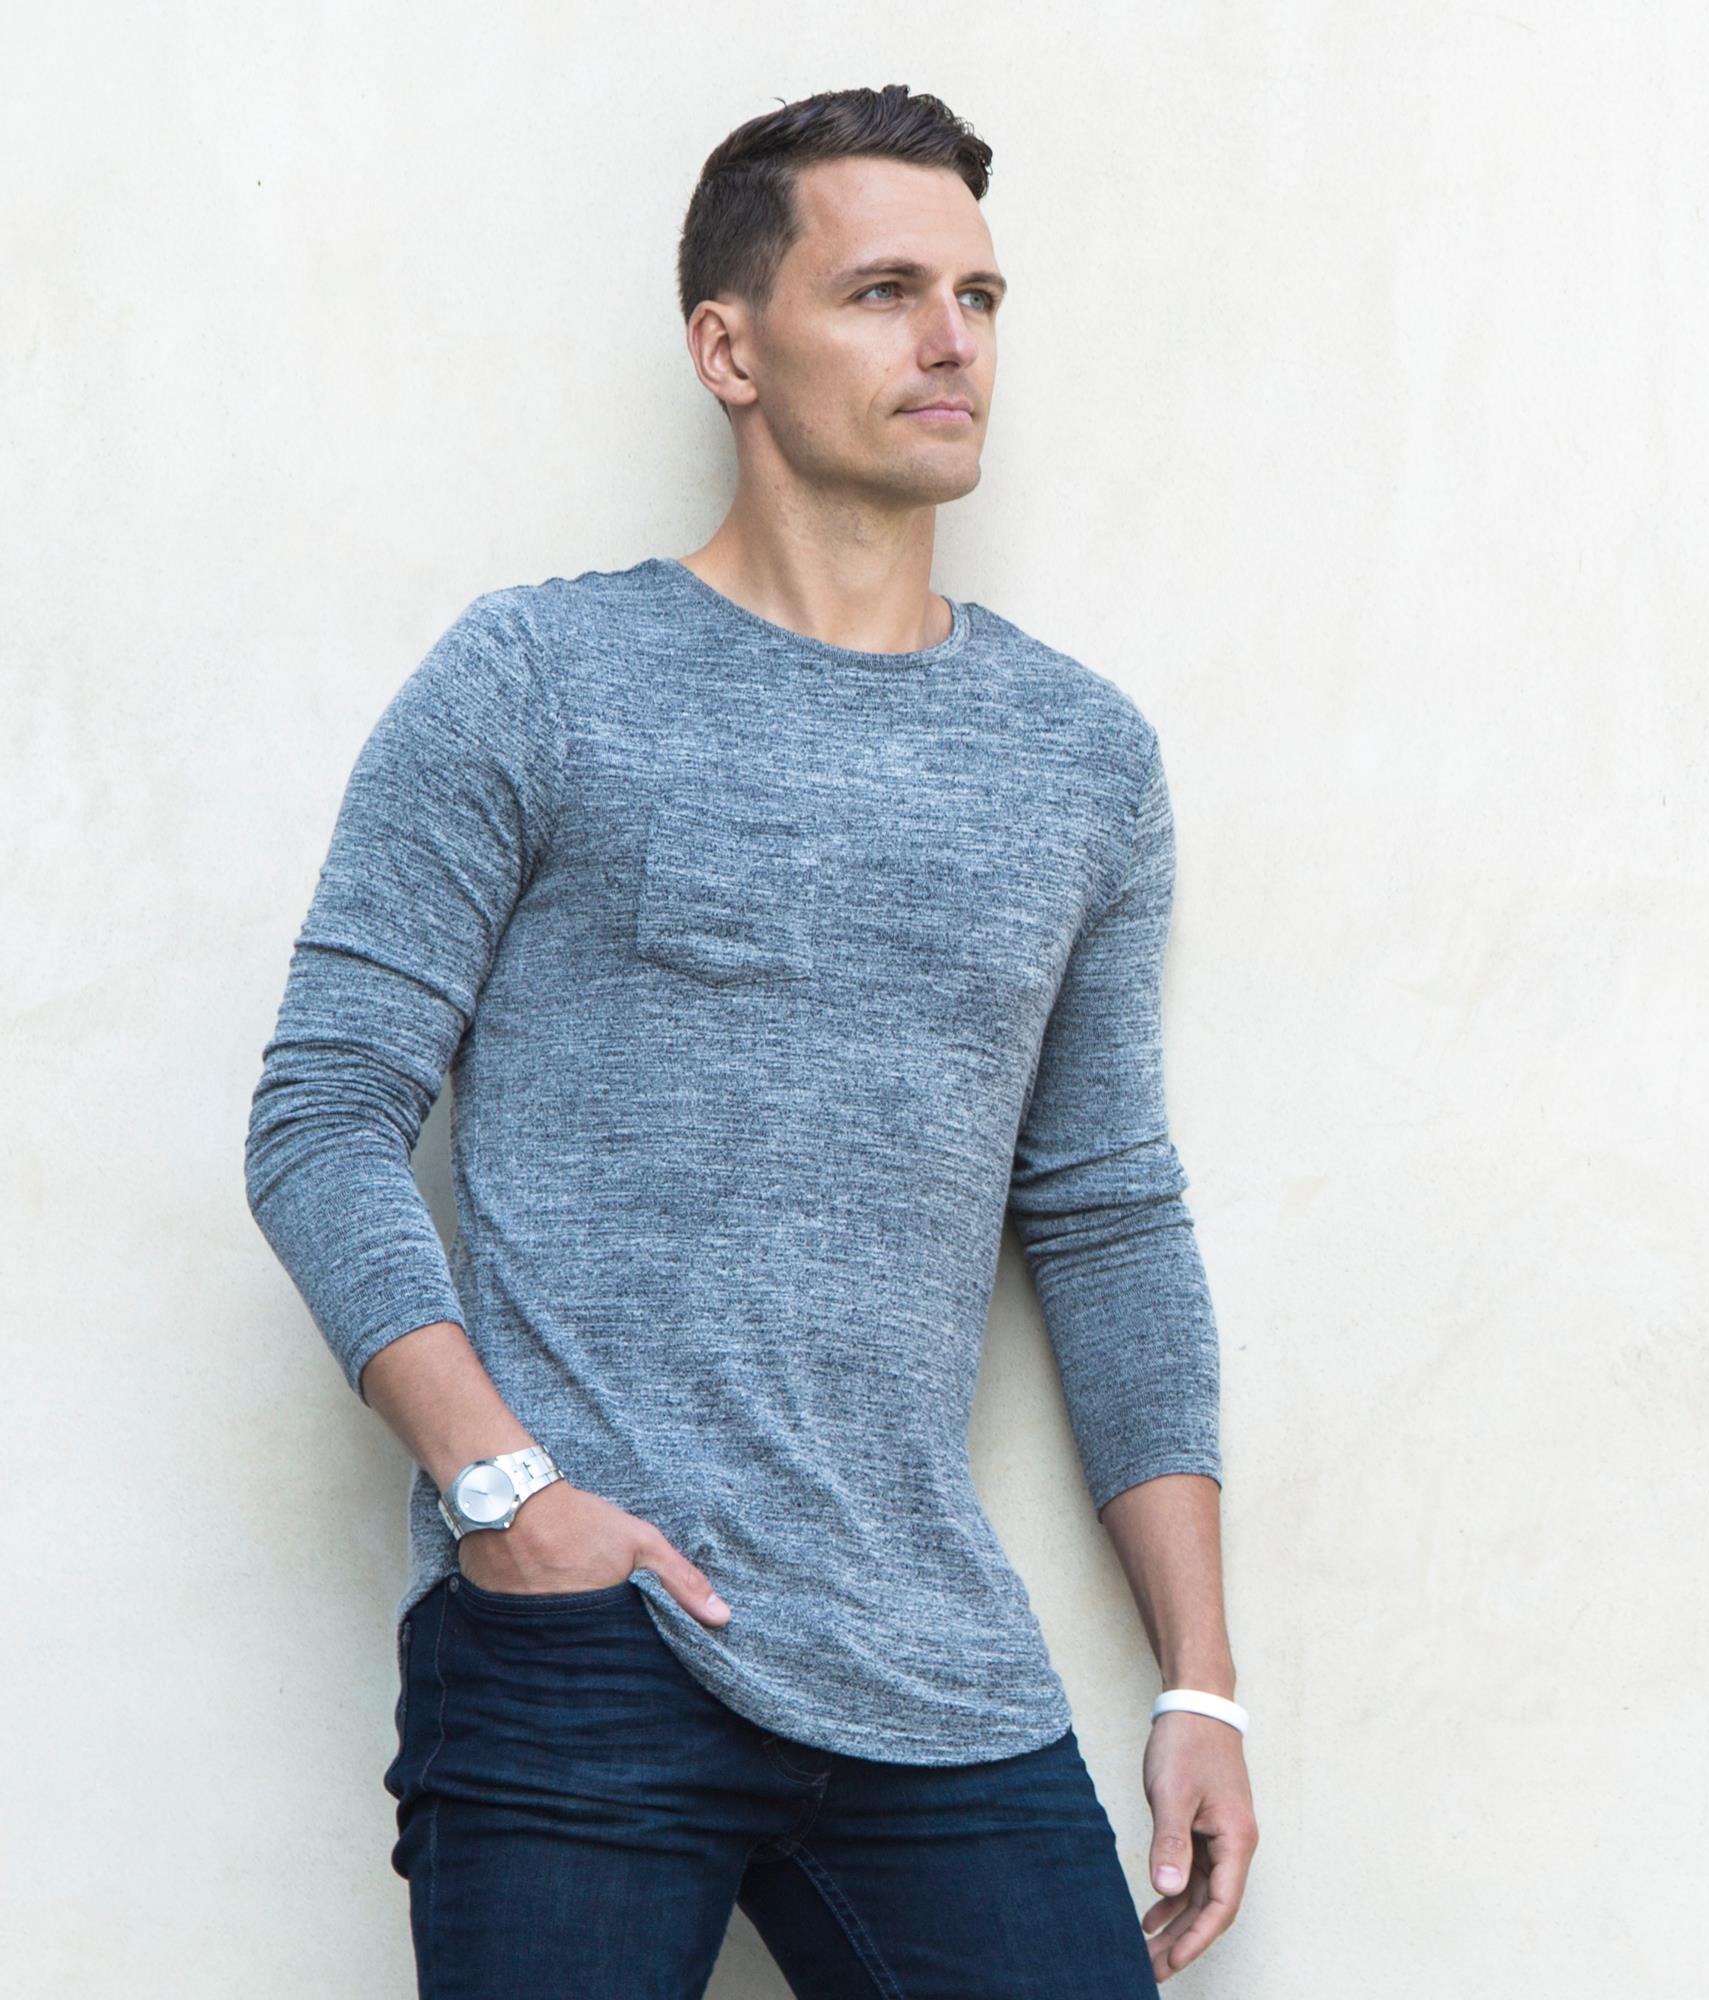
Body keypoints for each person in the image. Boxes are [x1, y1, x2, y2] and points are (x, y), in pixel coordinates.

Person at [244, 81, 1256, 1997]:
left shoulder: (1082, 759)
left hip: (932, 1667)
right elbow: (321, 1115)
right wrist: (501, 1493)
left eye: (977, 294)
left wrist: (1199, 1681)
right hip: (582, 1646)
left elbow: (1109, 1217)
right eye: (883, 291)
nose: (951, 341)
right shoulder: (537, 680)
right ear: (729, 348)